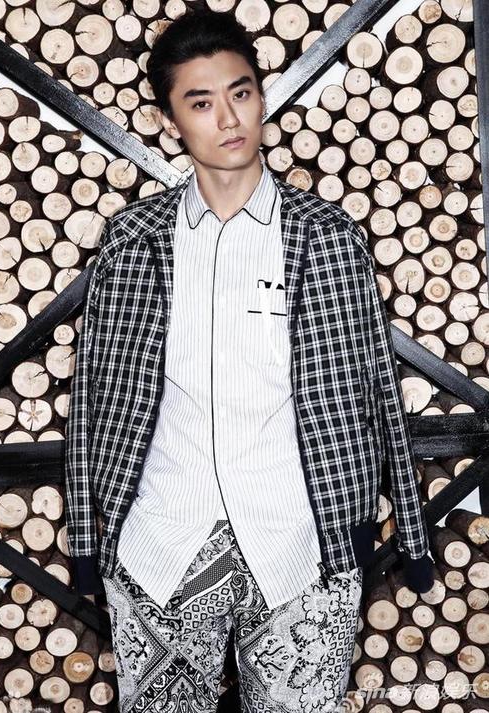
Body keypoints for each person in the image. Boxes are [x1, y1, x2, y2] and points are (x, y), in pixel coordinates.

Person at [64, 8, 434, 713]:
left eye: (240, 93)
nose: (228, 118)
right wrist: (87, 540)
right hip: (162, 544)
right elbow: (94, 399)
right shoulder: (133, 240)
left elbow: (377, 387)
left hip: (303, 545)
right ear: (170, 120)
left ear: (261, 97)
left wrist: (407, 535)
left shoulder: (325, 235)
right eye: (201, 102)